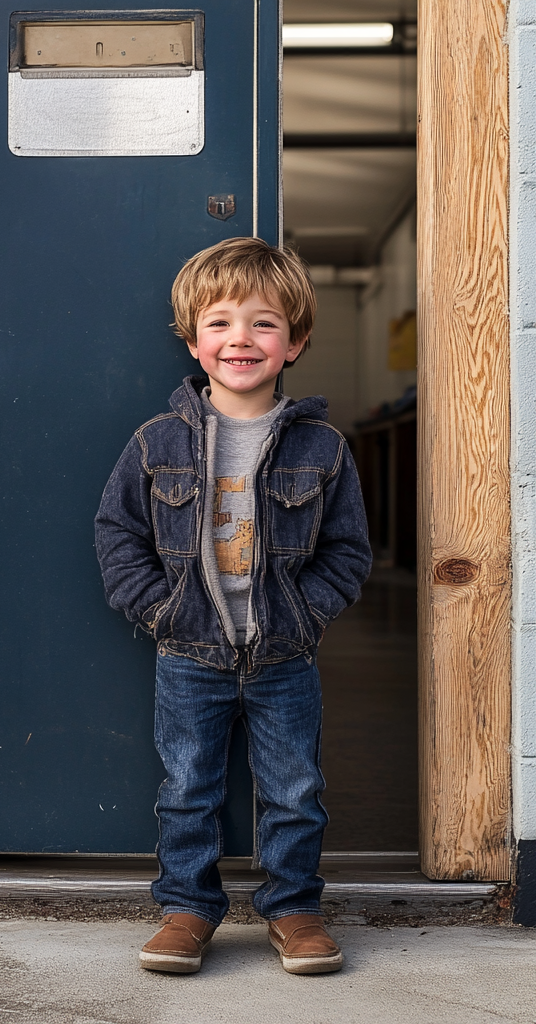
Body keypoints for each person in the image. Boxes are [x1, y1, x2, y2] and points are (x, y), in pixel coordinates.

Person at [95, 236, 371, 975]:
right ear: (192, 340)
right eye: (219, 322)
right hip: (190, 653)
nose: (240, 339)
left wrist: (306, 615)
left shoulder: (323, 449)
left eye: (264, 323)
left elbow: (349, 551)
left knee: (296, 789)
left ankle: (295, 911)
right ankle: (187, 908)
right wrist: (159, 611)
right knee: (188, 789)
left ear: (296, 342)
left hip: (286, 654)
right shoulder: (157, 443)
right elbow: (117, 533)